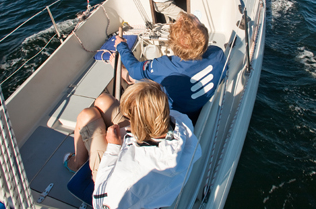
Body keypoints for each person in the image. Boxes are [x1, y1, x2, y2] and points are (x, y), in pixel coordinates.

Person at [65, 80, 201, 209]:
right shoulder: (181, 121)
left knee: (87, 115)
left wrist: (113, 147)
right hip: (140, 140)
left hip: (112, 170)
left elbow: (101, 203)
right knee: (103, 100)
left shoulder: (129, 175)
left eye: (129, 116)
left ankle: (77, 163)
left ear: (138, 122)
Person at [114, 12, 226, 120]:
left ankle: (125, 75)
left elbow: (134, 69)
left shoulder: (164, 65)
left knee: (139, 78)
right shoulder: (218, 54)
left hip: (174, 116)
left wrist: (121, 46)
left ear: (173, 43)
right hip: (198, 107)